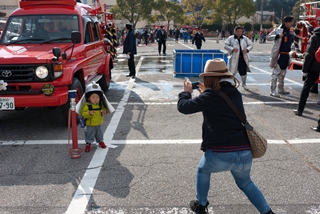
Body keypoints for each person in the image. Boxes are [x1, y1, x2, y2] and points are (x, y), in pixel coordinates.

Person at [177, 59, 275, 214]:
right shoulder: (234, 92)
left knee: (203, 170)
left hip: (221, 155)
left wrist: (186, 92)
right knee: (245, 183)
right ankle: (267, 212)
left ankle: (201, 205)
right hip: (244, 153)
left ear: (209, 78)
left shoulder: (210, 95)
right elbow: (220, 105)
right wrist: (205, 93)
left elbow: (184, 107)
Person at [293, 26, 320, 116]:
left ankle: (300, 110)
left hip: (314, 67)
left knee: (306, 88)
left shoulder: (315, 37)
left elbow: (309, 55)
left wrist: (305, 70)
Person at [80, 82, 113, 152]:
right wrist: (89, 113)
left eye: (97, 97)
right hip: (90, 124)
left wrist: (105, 111)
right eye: (93, 97)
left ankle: (100, 141)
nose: (96, 99)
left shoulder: (100, 104)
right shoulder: (87, 105)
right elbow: (83, 113)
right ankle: (88, 144)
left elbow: (105, 109)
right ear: (89, 98)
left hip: (99, 123)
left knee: (100, 134)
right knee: (89, 134)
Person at [267, 16, 294, 97]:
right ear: (285, 22)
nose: (291, 23)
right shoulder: (278, 30)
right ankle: (273, 90)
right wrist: (278, 36)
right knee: (276, 73)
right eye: (290, 22)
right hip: (279, 54)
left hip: (287, 54)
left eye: (292, 22)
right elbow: (268, 37)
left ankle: (281, 89)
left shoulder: (290, 31)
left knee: (283, 73)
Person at [224, 26, 253, 90]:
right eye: (238, 31)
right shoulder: (231, 38)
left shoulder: (245, 38)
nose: (239, 33)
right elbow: (225, 45)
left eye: (241, 31)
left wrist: (247, 49)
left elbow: (251, 44)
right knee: (232, 72)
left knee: (243, 72)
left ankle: (244, 84)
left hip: (242, 58)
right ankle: (232, 84)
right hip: (234, 58)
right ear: (235, 31)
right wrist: (232, 49)